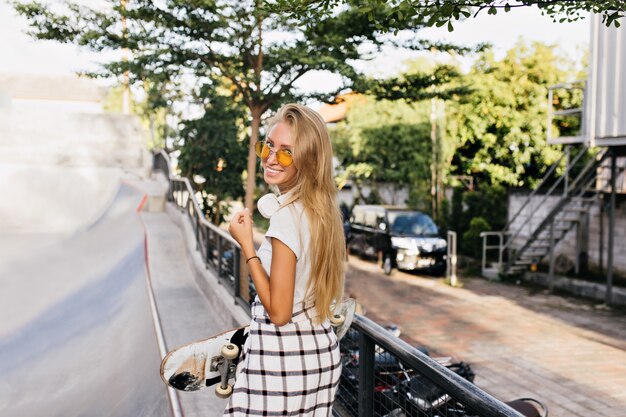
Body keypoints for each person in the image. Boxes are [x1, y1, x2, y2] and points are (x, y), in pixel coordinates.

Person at [225, 103, 346, 416]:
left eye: (287, 152)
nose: (271, 158)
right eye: (269, 146)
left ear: (308, 160)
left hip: (282, 363)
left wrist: (247, 247)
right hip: (319, 355)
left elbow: (278, 312)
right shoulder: (323, 212)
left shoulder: (285, 219)